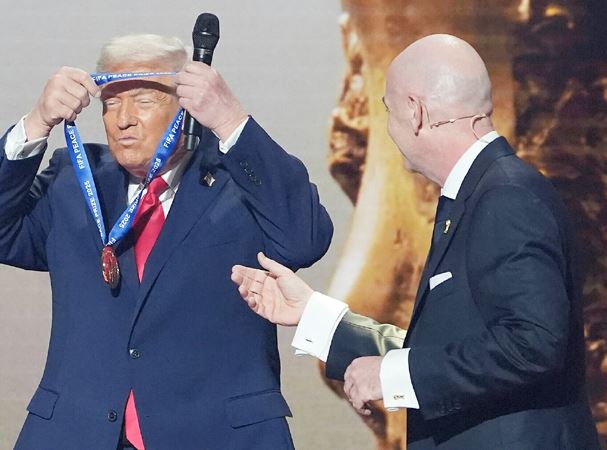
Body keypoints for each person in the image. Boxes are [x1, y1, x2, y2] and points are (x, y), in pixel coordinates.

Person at [231, 34, 601, 449]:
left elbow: (532, 344)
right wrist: (311, 314)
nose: (387, 128)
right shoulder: (479, 194)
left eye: (387, 110)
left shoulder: (506, 197)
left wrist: (395, 376)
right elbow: (451, 349)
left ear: (416, 111)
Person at [0, 34, 333, 450]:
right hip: (78, 433)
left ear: (187, 104)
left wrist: (230, 120)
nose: (123, 119)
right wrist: (35, 124)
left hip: (215, 436)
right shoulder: (74, 180)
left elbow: (304, 240)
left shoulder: (240, 181)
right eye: (110, 103)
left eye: (143, 100)